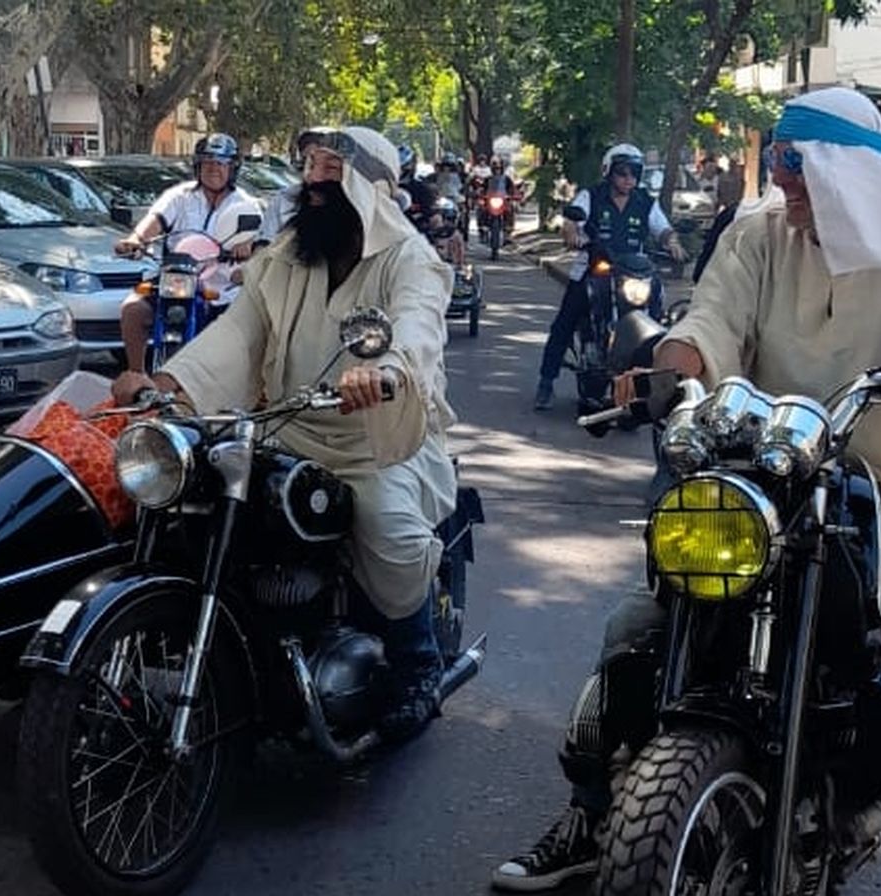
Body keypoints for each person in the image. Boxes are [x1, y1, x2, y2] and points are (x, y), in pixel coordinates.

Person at [493, 87, 881, 896]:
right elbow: (708, 324)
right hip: (761, 472)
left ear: (845, 170)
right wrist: (666, 373)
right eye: (781, 164)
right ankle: (594, 818)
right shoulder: (759, 233)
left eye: (797, 166)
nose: (783, 182)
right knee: (636, 624)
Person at [109, 126, 457, 743]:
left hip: (374, 441)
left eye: (331, 168)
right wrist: (168, 382)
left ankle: (417, 661)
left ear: (370, 188)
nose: (315, 180)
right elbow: (240, 333)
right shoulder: (288, 255)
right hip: (284, 427)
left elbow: (417, 331)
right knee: (199, 499)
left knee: (390, 531)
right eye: (311, 165)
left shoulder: (409, 259)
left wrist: (385, 372)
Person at [531, 142, 684, 411]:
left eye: (633, 173)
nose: (628, 179)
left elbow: (662, 228)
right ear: (609, 173)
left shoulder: (644, 201)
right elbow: (571, 221)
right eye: (622, 173)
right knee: (565, 320)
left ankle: (661, 383)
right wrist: (572, 233)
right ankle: (546, 381)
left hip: (634, 272)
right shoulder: (592, 196)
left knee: (659, 309)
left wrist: (673, 242)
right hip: (594, 269)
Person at [114, 133, 262, 375]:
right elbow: (155, 220)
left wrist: (246, 247)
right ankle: (136, 375)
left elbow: (257, 238)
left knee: (245, 333)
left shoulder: (245, 204)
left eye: (221, 163)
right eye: (208, 162)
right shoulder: (180, 196)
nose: (214, 169)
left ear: (233, 168)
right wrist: (135, 240)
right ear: (198, 165)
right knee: (132, 309)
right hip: (174, 279)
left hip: (222, 289)